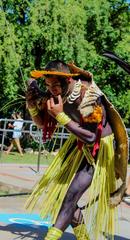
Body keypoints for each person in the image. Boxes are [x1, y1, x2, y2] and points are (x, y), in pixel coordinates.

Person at [25, 60, 128, 240]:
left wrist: (61, 116)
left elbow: (91, 137)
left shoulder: (88, 95)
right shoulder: (56, 93)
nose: (51, 89)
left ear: (69, 81)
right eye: (48, 85)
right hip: (78, 145)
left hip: (99, 149)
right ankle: (83, 237)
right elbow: (43, 124)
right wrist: (32, 105)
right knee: (60, 195)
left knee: (70, 196)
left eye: (56, 85)